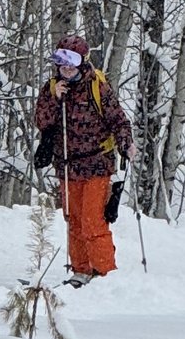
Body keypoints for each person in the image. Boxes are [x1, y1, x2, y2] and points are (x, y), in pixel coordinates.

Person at [33, 30, 131, 283]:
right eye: (61, 61)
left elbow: (118, 119)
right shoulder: (52, 89)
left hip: (97, 163)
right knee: (74, 220)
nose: (66, 67)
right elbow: (42, 121)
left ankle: (104, 273)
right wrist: (54, 99)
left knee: (93, 221)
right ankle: (81, 269)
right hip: (67, 166)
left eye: (72, 61)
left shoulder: (97, 87)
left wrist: (126, 144)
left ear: (83, 61)